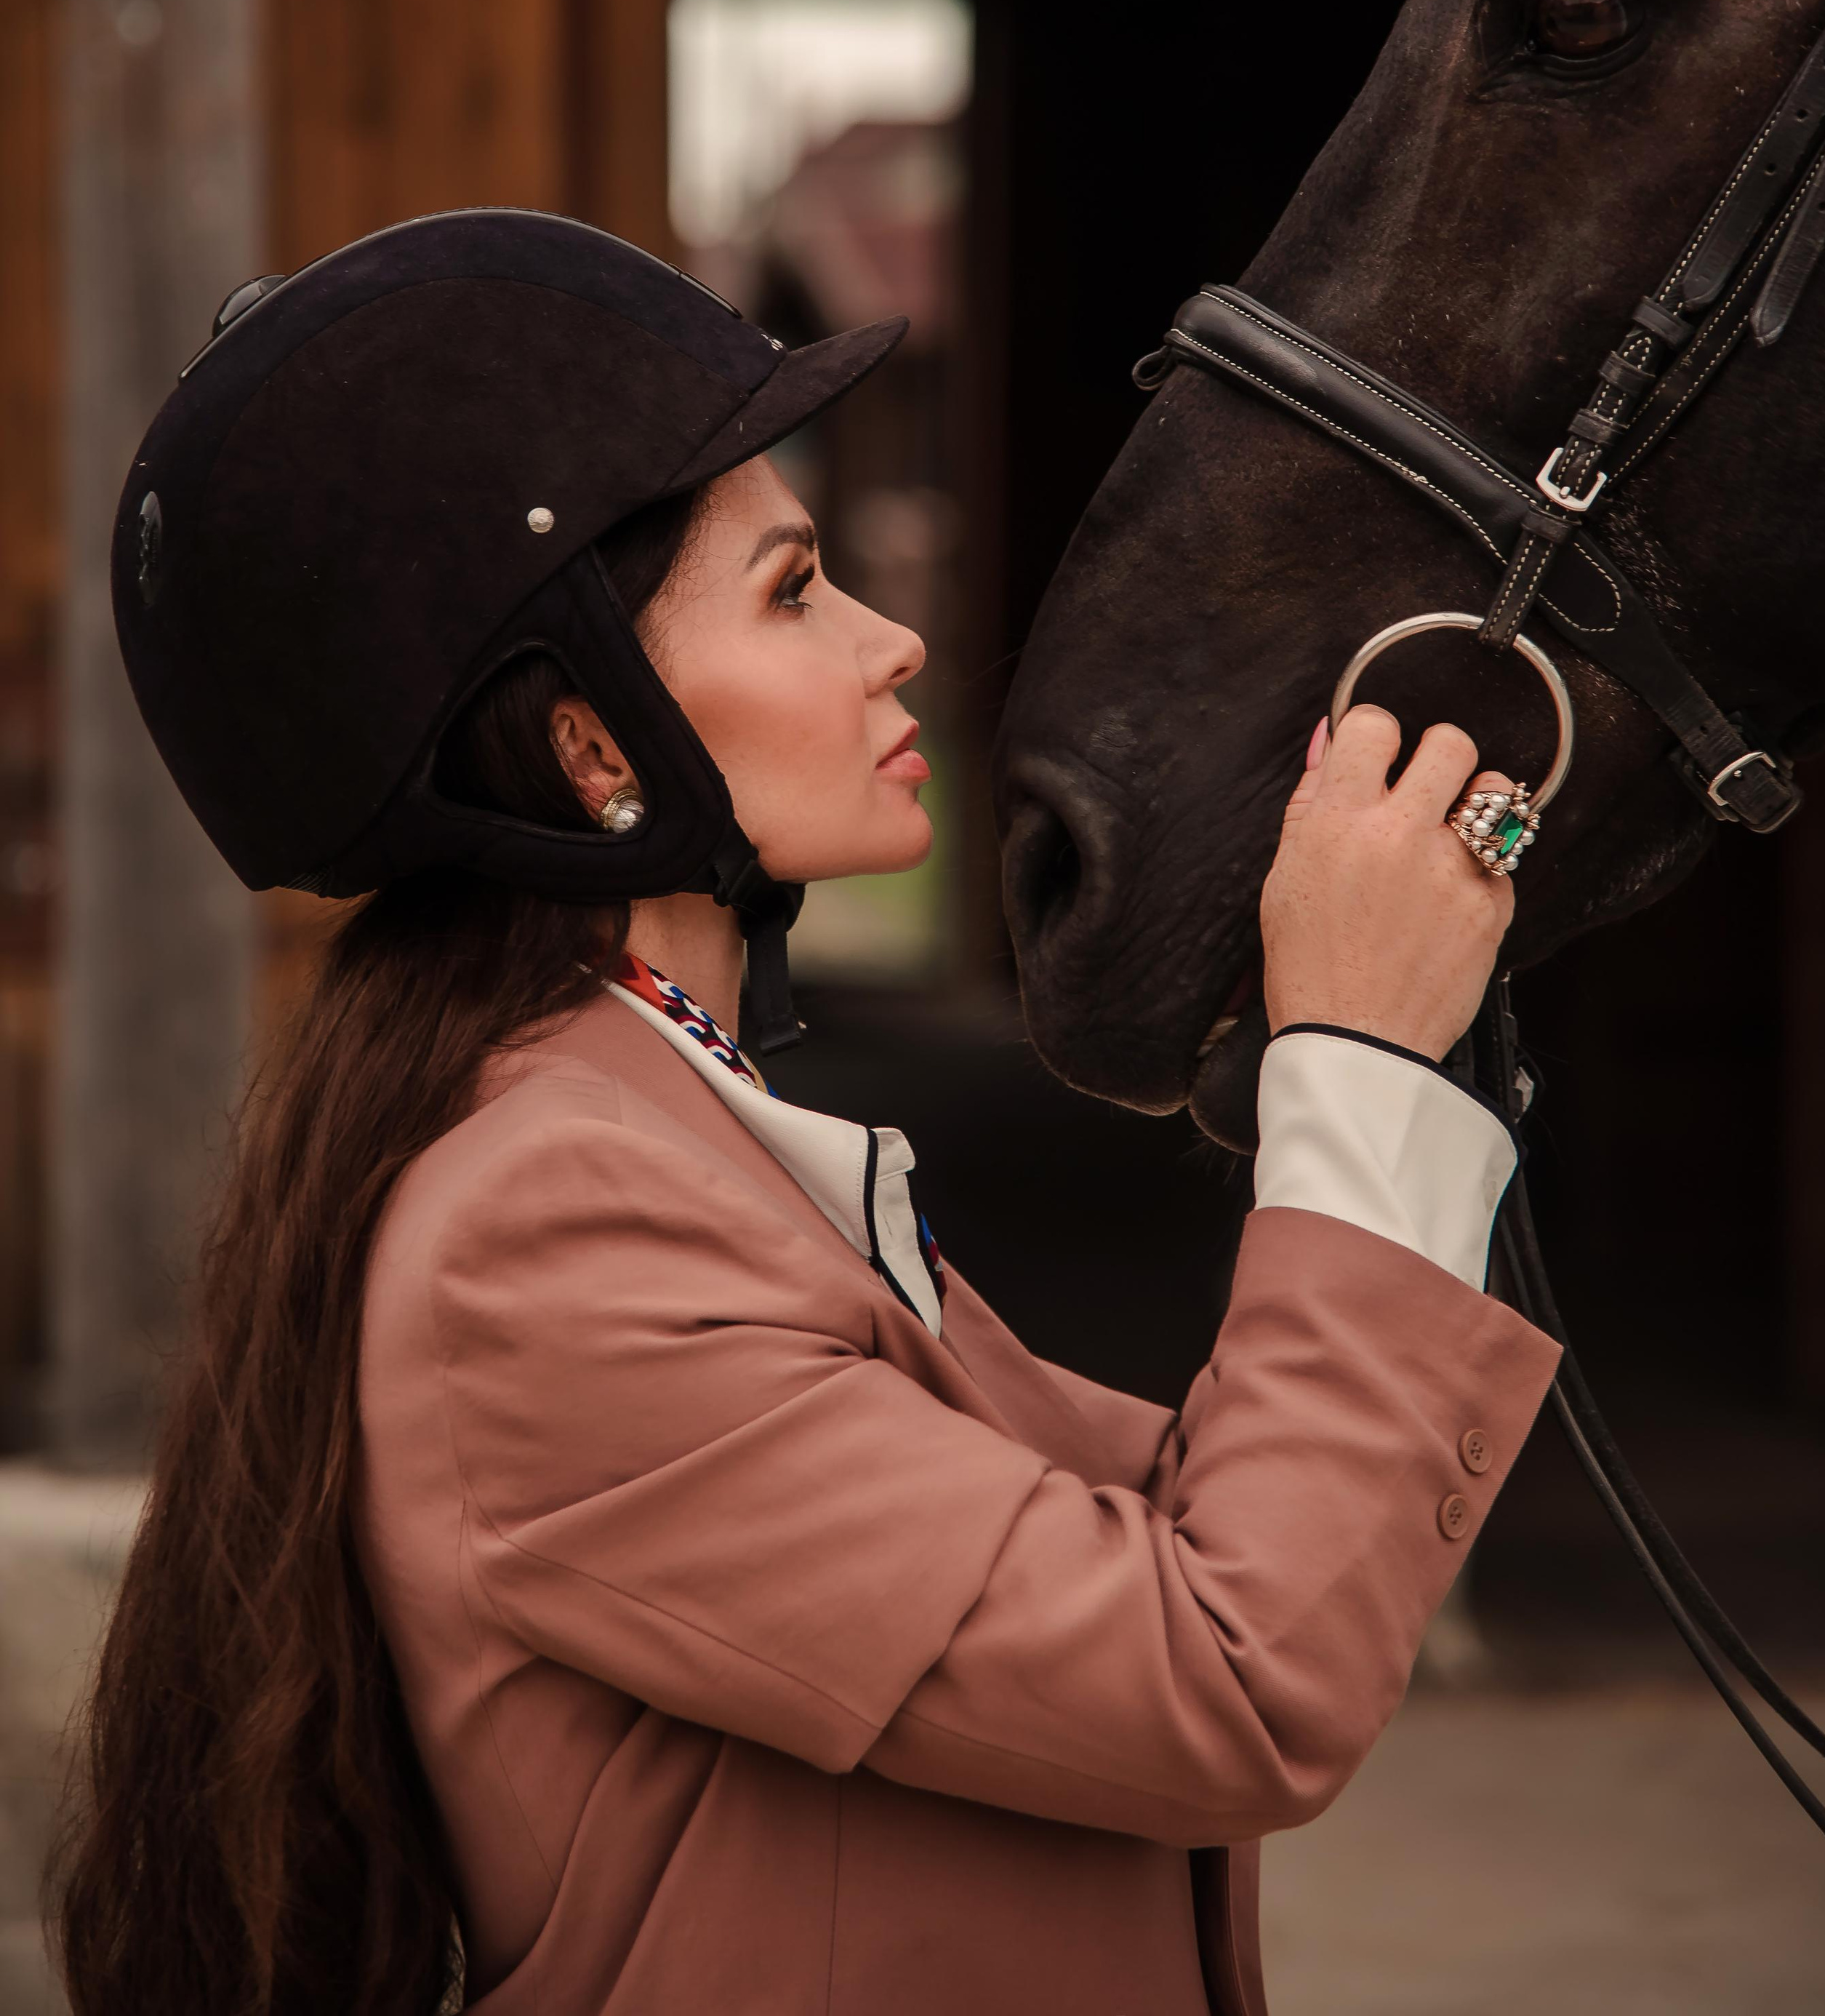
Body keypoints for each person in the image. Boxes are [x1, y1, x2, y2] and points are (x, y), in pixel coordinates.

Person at [53, 210, 1557, 2016]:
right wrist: (1359, 1073)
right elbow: (1228, 1674)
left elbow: (1171, 1539)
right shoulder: (552, 1232)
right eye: (789, 591)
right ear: (593, 748)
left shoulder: (666, 1121)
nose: (893, 641)